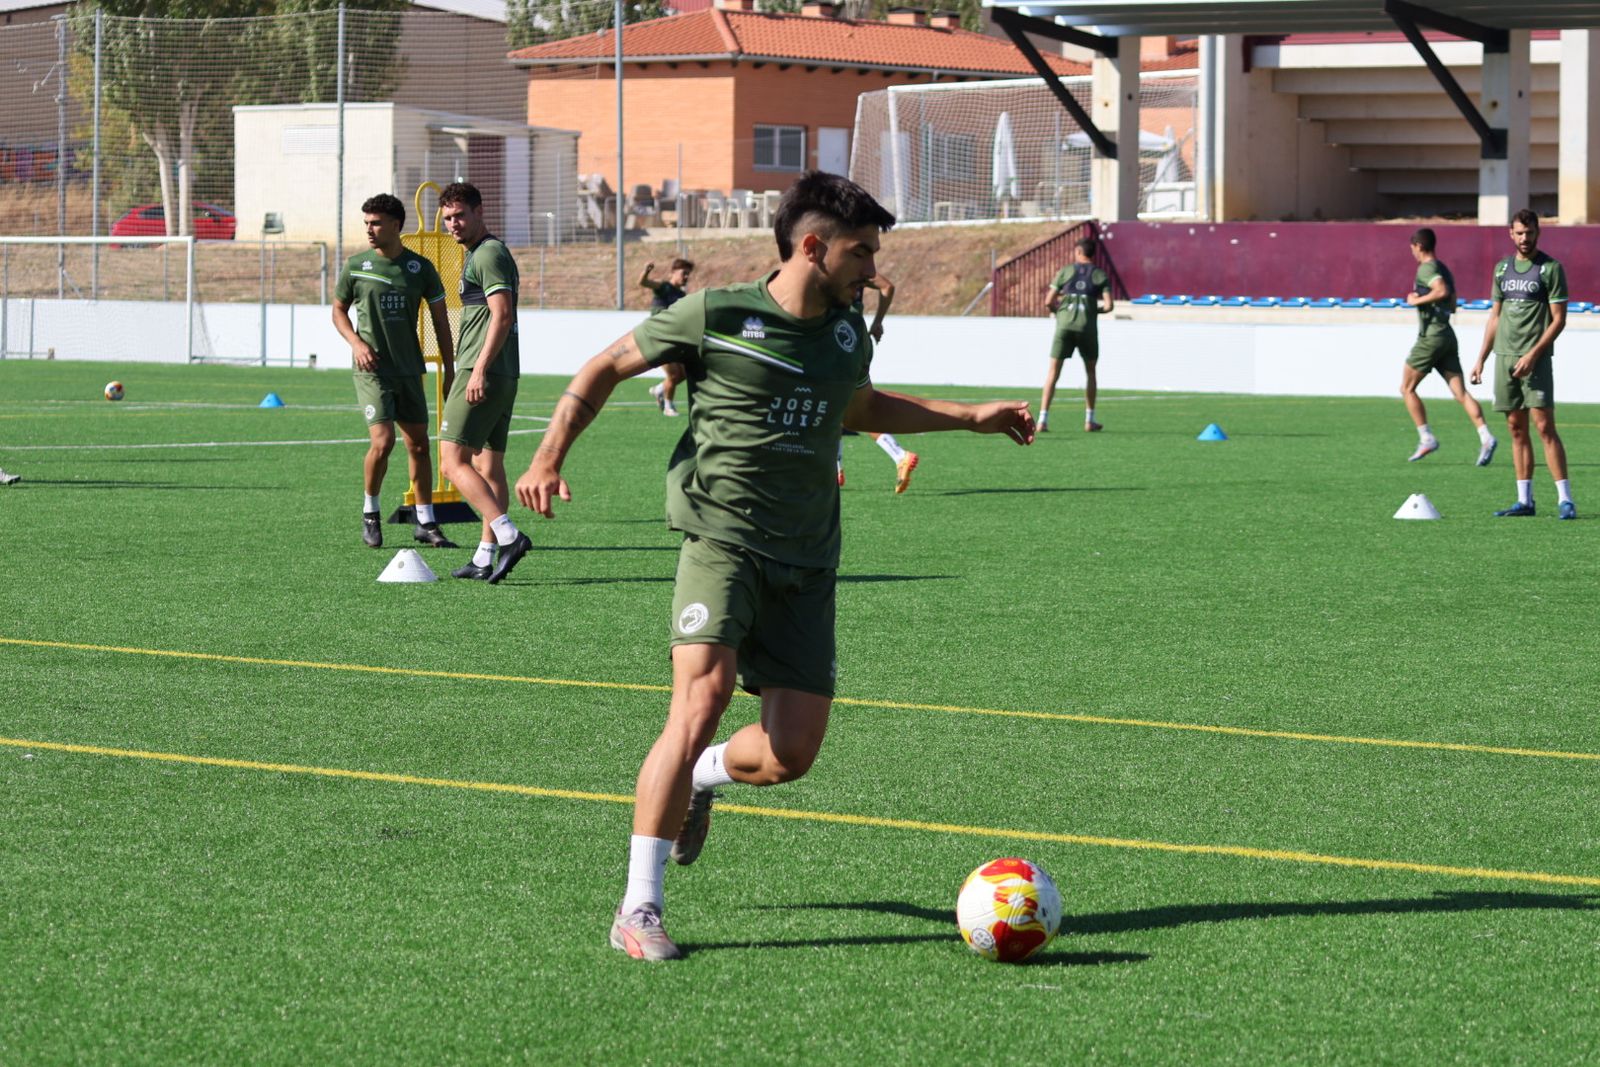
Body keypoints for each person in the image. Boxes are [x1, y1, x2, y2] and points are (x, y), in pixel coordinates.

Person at [512, 171, 1035, 961]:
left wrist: (970, 417)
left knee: (791, 754)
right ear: (813, 246)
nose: (873, 269)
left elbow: (856, 407)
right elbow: (602, 367)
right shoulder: (714, 313)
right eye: (862, 252)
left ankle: (704, 778)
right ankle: (639, 906)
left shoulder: (847, 333)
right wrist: (548, 456)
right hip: (721, 538)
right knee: (702, 698)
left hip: (810, 556)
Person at [332, 193, 457, 550]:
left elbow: (441, 322)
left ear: (396, 225)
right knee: (383, 441)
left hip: (409, 369)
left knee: (419, 445)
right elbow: (338, 311)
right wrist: (356, 344)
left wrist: (450, 370)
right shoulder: (356, 266)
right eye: (367, 223)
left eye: (376, 223)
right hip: (372, 371)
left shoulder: (420, 269)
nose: (369, 230)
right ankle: (370, 513)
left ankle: (426, 521)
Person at [435, 182, 534, 581]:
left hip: (484, 370)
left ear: (479, 211)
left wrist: (476, 369)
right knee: (488, 466)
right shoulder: (483, 253)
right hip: (503, 371)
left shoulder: (488, 253)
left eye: (460, 215)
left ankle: (509, 536)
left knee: (451, 462)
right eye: (447, 218)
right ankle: (484, 556)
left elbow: (502, 314)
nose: (453, 224)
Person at [1469, 209, 1576, 519]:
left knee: (1544, 427)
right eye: (1519, 233)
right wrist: (1481, 358)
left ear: (1537, 232)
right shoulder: (1502, 269)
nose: (1524, 238)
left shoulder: (1550, 268)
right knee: (1516, 428)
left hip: (1535, 361)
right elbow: (1495, 317)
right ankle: (1524, 501)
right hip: (1504, 358)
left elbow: (1559, 320)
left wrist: (1533, 355)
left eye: (1529, 233)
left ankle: (1565, 500)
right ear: (1511, 234)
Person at [1400, 228, 1497, 466]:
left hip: (1431, 337)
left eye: (1412, 248)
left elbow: (1441, 290)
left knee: (1407, 388)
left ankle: (1426, 438)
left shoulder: (1426, 268)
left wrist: (1416, 300)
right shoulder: (1444, 268)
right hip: (1447, 335)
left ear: (1418, 246)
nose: (1412, 252)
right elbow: (1452, 303)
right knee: (1460, 393)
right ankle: (1486, 436)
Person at [835, 271, 918, 493]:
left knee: (842, 406)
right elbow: (887, 286)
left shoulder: (833, 268)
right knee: (843, 407)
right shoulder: (857, 267)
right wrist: (878, 322)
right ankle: (836, 469)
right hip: (857, 336)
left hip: (839, 339)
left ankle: (899, 455)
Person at [1038, 237, 1113, 433]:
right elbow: (1109, 306)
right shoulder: (1099, 274)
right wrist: (1093, 311)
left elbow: (1048, 301)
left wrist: (1059, 311)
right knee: (1091, 372)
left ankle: (1042, 420)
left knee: (1053, 373)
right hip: (1087, 328)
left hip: (1064, 327)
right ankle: (1090, 420)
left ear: (1078, 252)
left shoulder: (1066, 271)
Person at [640, 258, 694, 417]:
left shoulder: (681, 295)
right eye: (684, 273)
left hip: (672, 338)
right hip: (658, 337)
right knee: (674, 375)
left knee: (682, 374)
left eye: (688, 274)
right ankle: (668, 406)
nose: (686, 277)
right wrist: (646, 271)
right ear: (673, 273)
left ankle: (659, 390)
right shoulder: (664, 287)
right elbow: (643, 283)